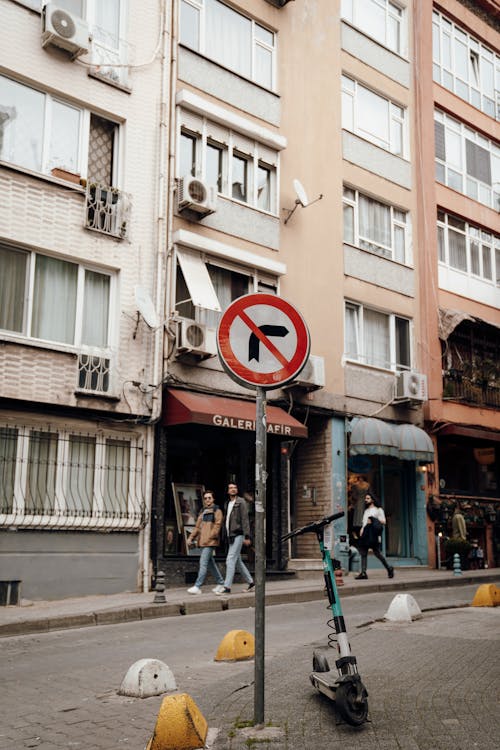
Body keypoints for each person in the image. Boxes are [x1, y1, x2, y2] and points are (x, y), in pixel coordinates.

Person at [215, 482, 254, 595]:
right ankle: (251, 582)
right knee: (237, 561)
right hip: (230, 535)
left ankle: (227, 587)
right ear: (228, 491)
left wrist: (247, 536)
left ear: (237, 490)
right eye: (230, 488)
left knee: (230, 559)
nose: (233, 489)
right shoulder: (227, 503)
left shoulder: (240, 502)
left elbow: (245, 519)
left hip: (239, 534)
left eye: (235, 488)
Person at [186, 490, 225, 595]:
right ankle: (221, 583)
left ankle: (197, 586)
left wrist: (210, 537)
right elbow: (197, 527)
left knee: (203, 563)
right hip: (203, 542)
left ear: (213, 499)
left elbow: (217, 526)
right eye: (206, 498)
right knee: (210, 564)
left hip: (209, 542)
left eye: (209, 498)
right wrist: (190, 538)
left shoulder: (217, 511)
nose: (207, 500)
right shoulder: (202, 511)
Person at [355, 493, 394, 580]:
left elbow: (384, 521)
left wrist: (373, 519)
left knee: (377, 553)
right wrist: (362, 529)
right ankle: (363, 573)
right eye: (365, 498)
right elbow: (364, 522)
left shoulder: (379, 510)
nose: (366, 500)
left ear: (372, 500)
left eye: (368, 498)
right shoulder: (366, 511)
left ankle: (389, 568)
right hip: (365, 533)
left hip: (373, 534)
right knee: (363, 552)